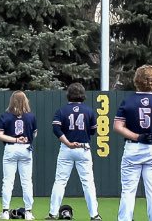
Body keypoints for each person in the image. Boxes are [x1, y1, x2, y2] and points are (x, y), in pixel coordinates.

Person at [114, 65, 152, 221]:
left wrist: (137, 136)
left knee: (128, 191)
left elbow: (118, 127)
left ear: (136, 80)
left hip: (133, 148)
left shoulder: (128, 101)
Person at [47, 83, 101, 220]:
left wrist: (68, 143)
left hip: (67, 148)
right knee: (88, 183)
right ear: (83, 95)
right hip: (83, 148)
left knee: (60, 181)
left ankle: (53, 214)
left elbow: (56, 129)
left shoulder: (62, 110)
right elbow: (94, 131)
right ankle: (94, 215)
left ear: (68, 95)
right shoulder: (89, 111)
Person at [0, 91, 38, 220]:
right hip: (26, 149)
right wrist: (23, 138)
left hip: (11, 148)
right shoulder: (31, 116)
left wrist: (15, 139)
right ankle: (29, 213)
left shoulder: (5, 116)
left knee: (8, 181)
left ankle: (5, 212)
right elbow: (35, 134)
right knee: (27, 182)